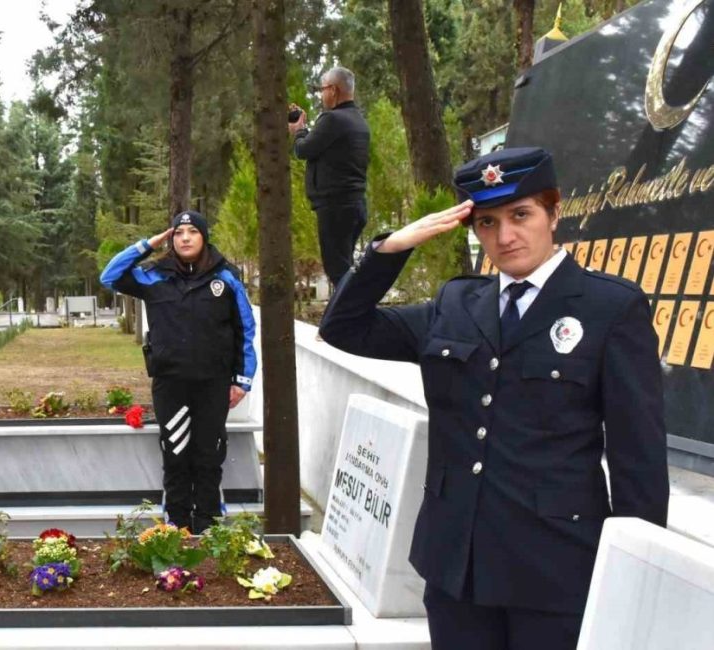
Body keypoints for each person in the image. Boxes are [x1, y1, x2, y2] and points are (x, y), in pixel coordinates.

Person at [318, 147, 669, 650]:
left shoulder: (610, 307)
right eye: (487, 222)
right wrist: (391, 248)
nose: (504, 237)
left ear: (554, 211)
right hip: (456, 567)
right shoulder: (456, 303)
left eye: (520, 215)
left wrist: (638, 572)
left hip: (556, 568)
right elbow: (342, 328)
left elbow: (639, 455)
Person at [100, 210, 257, 533]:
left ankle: (209, 522)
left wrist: (242, 380)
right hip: (170, 383)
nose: (185, 237)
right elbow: (110, 276)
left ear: (204, 237)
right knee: (175, 452)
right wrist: (147, 245)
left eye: (192, 232)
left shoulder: (225, 276)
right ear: (171, 239)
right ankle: (177, 523)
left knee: (208, 454)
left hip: (214, 383)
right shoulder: (154, 275)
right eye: (179, 232)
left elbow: (244, 327)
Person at [289, 66, 370, 289]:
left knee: (339, 273)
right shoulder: (358, 120)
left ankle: (350, 321)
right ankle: (351, 319)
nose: (321, 94)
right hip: (355, 206)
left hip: (335, 208)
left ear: (333, 90)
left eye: (322, 89)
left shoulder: (333, 120)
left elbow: (303, 150)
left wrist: (298, 131)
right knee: (345, 269)